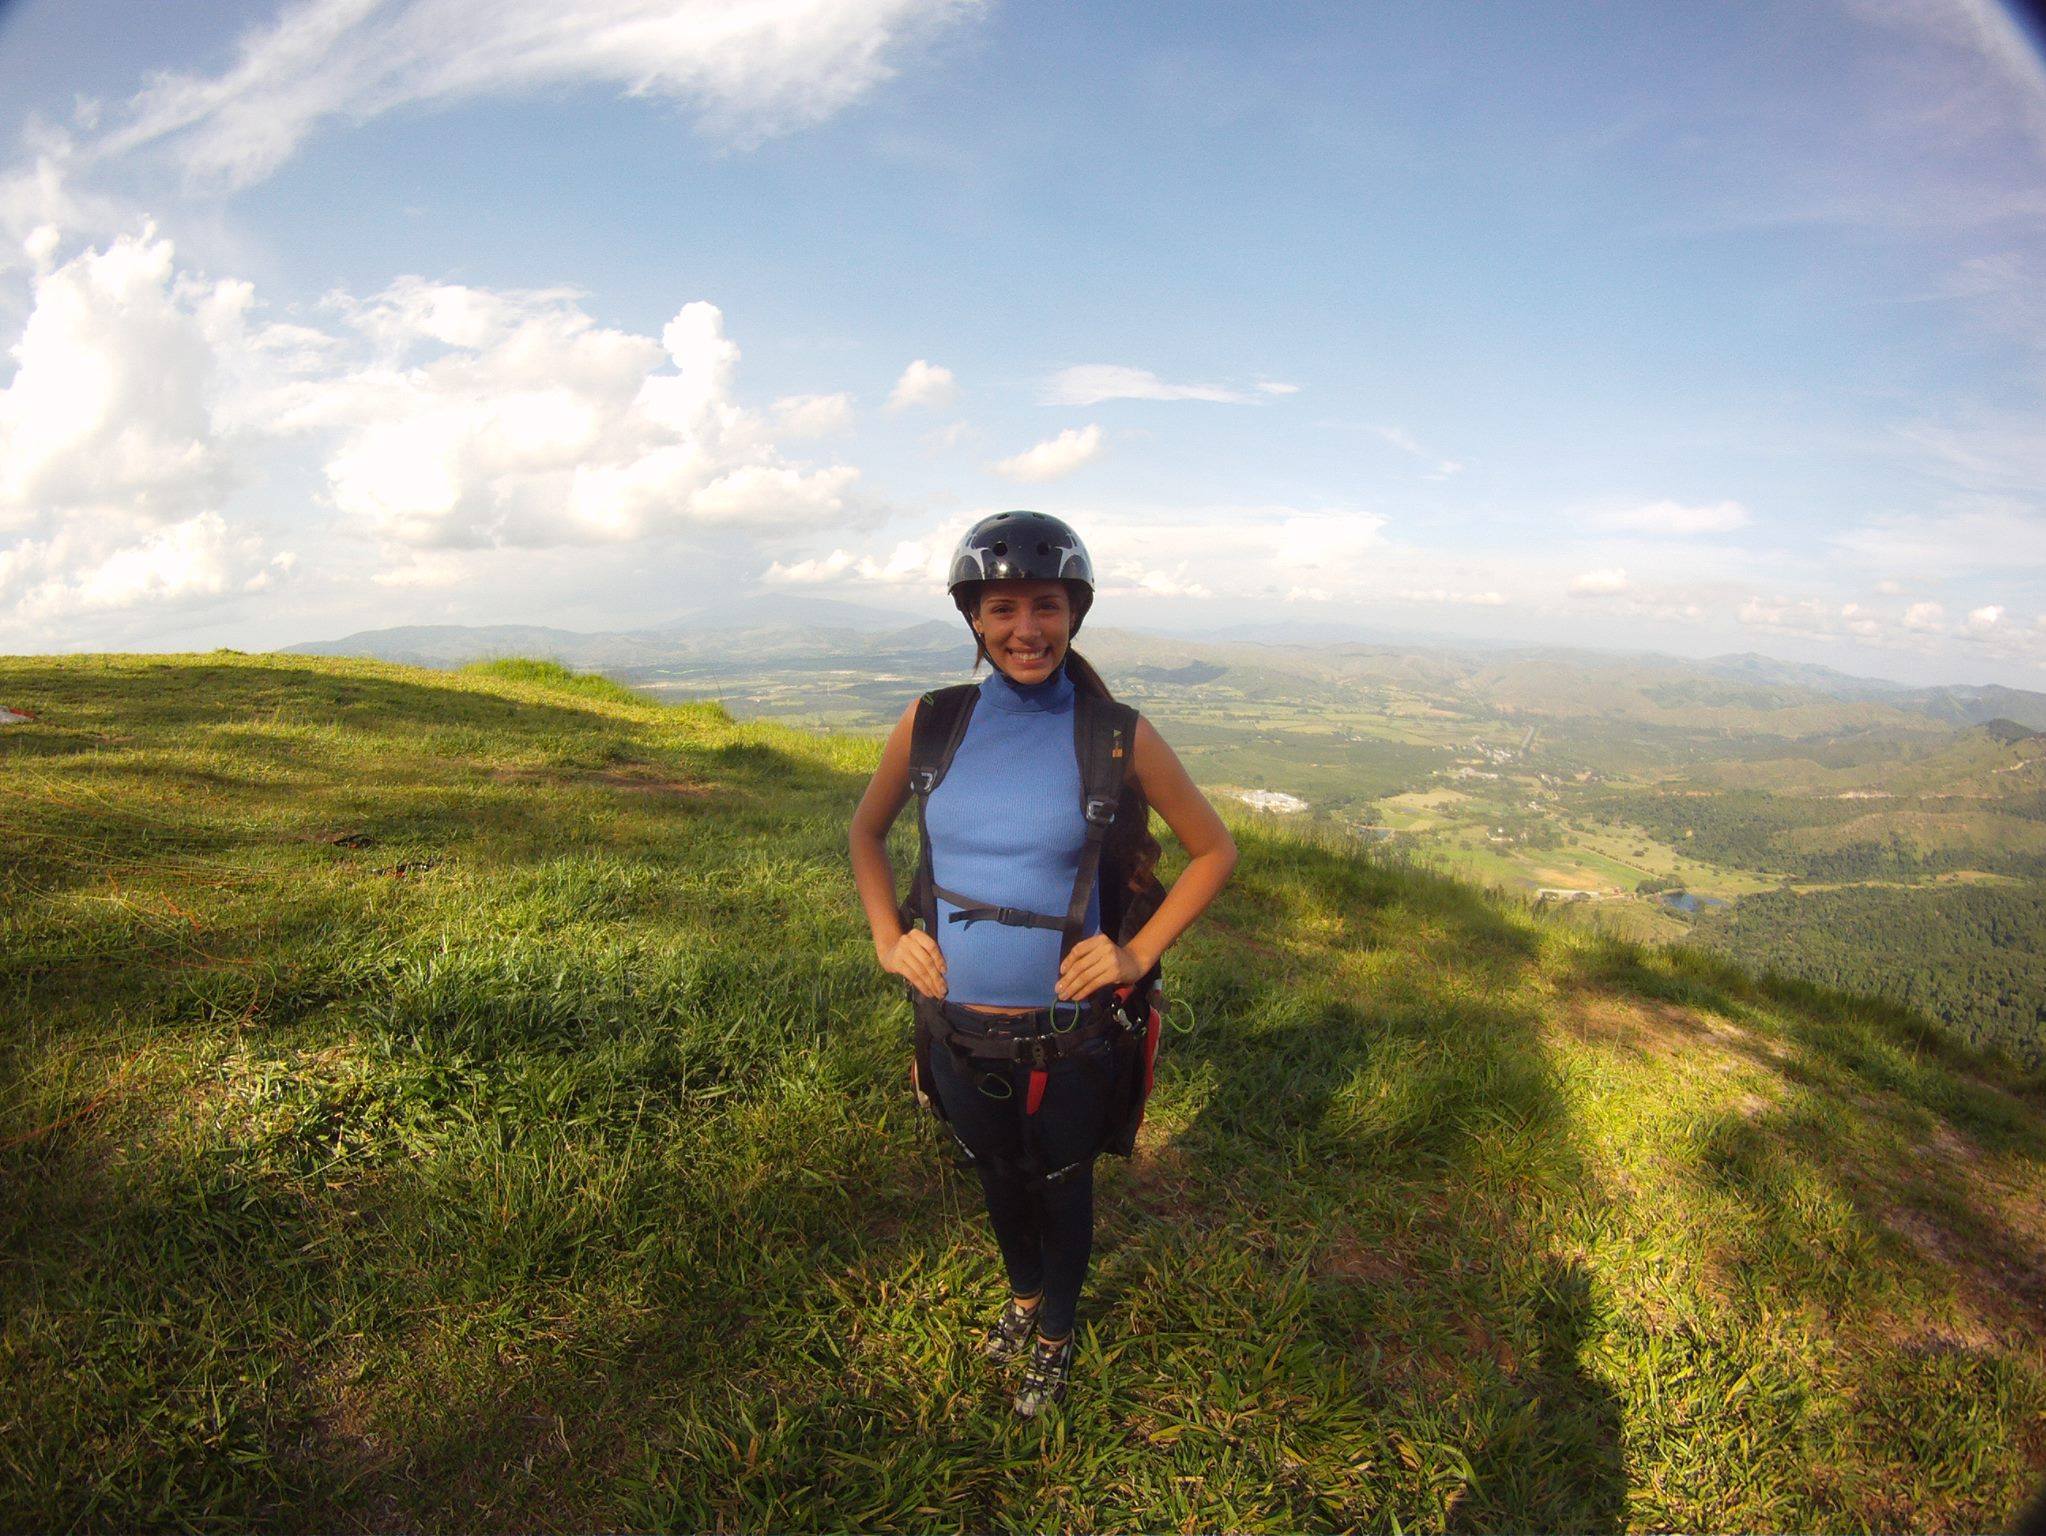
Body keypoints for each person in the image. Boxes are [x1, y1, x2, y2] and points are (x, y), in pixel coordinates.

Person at [848, 511, 1238, 1416]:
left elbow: (1214, 850)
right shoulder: (932, 722)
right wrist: (886, 937)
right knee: (995, 1173)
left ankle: (1055, 1333)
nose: (1027, 628)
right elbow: (866, 833)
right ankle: (1023, 1299)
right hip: (954, 1030)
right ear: (974, 620)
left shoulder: (1114, 734)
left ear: (1075, 614)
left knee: (1062, 1185)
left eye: (1047, 606)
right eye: (1003, 608)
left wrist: (1135, 953)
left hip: (1069, 1039)